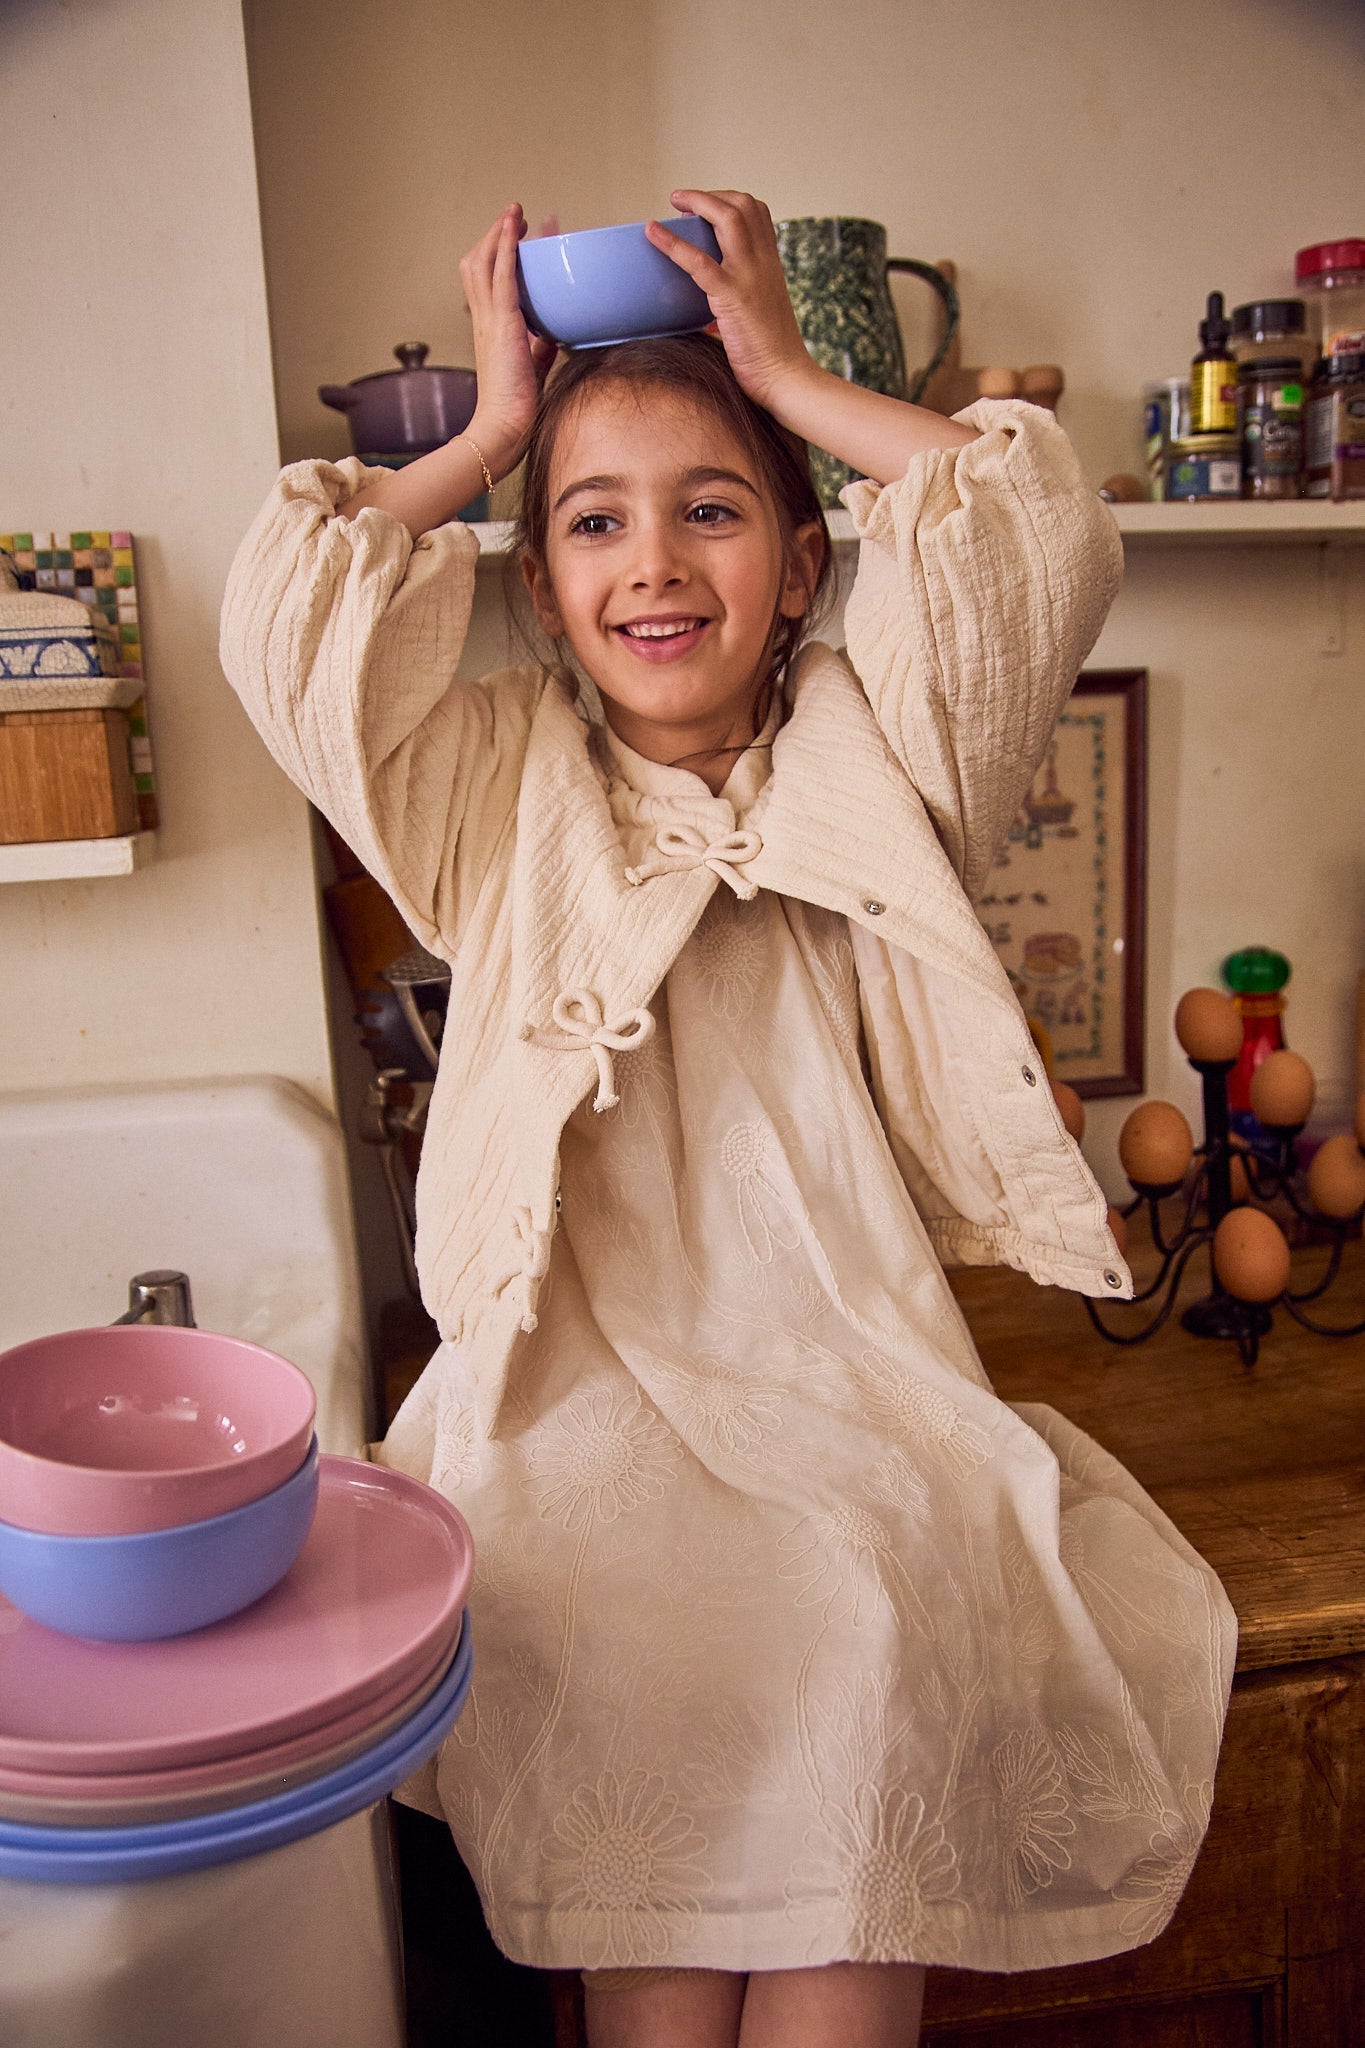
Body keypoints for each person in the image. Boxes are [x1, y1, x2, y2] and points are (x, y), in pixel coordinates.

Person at [220, 190, 1235, 2048]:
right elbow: (289, 620)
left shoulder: (885, 750)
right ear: (542, 589)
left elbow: (1025, 529)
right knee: (638, 1752)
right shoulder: (483, 791)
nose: (655, 559)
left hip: (848, 1386)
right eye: (594, 524)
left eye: (714, 505)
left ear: (796, 558)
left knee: (874, 1637)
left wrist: (787, 374)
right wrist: (493, 432)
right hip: (576, 1403)